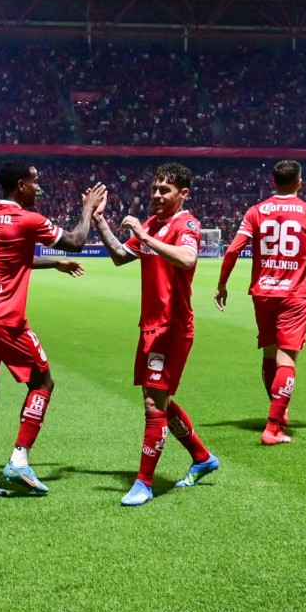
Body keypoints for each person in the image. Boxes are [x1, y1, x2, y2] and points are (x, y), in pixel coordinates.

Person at [0, 162, 106, 500]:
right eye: (35, 182)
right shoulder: (28, 219)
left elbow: (10, 256)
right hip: (4, 319)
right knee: (42, 381)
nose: (38, 188)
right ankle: (19, 460)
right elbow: (76, 240)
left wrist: (52, 263)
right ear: (21, 185)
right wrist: (87, 210)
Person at [93, 163, 219, 507]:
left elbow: (188, 258)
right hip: (151, 326)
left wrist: (147, 237)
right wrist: (100, 221)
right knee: (158, 400)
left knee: (153, 403)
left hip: (173, 328)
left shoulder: (185, 224)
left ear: (183, 194)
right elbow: (121, 256)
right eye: (154, 189)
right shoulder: (152, 224)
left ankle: (144, 482)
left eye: (165, 190)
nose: (157, 196)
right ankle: (202, 457)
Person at [214, 160, 306, 446]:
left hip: (263, 294)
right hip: (293, 295)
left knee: (269, 355)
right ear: (299, 183)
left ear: (273, 181)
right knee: (287, 359)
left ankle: (280, 408)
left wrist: (222, 284)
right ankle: (273, 427)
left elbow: (231, 251)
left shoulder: (256, 211)